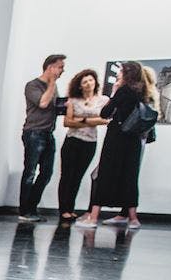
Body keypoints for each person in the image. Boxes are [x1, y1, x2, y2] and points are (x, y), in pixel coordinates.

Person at [76, 61, 152, 231]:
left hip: (116, 139)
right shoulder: (142, 92)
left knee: (104, 175)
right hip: (134, 140)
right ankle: (133, 219)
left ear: (126, 74)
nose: (118, 74)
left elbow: (105, 113)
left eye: (121, 71)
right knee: (130, 177)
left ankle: (93, 217)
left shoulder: (123, 91)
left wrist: (113, 94)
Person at [18, 53, 66, 223]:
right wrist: (52, 83)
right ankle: (24, 211)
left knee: (46, 173)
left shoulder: (54, 87)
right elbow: (43, 103)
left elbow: (54, 107)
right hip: (33, 133)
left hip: (48, 133)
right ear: (50, 67)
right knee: (30, 172)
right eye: (60, 67)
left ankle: (32, 208)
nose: (62, 70)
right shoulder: (32, 85)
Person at [57, 68, 108, 222]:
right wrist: (91, 121)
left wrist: (81, 119)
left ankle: (70, 208)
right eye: (84, 82)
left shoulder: (102, 100)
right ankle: (64, 209)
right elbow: (67, 122)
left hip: (90, 142)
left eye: (91, 80)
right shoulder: (73, 100)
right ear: (80, 86)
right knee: (67, 175)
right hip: (73, 140)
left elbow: (104, 120)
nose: (88, 83)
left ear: (95, 82)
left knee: (78, 176)